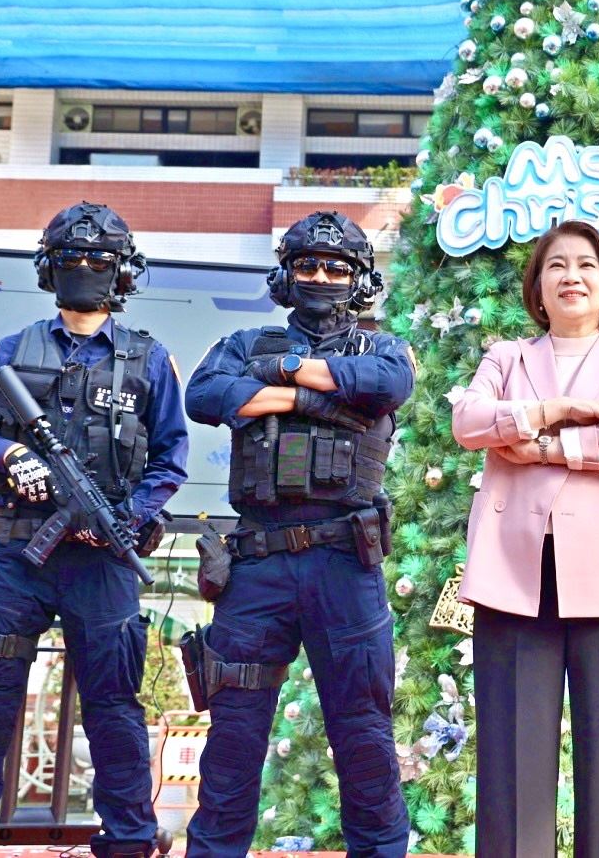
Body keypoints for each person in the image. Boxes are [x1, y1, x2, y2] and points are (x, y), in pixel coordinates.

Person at [0, 202, 188, 858]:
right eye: (72, 257)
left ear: (122, 272)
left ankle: (128, 837)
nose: (85, 268)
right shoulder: (16, 349)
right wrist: (9, 454)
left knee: (114, 704)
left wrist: (127, 517)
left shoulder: (149, 359)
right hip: (15, 550)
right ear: (50, 267)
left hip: (102, 560)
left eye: (99, 259)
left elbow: (170, 461)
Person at [182, 210, 412, 858]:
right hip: (256, 566)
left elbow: (387, 386)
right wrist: (313, 389)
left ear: (359, 281)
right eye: (307, 265)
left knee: (364, 738)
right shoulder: (241, 343)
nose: (321, 277)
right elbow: (204, 395)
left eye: (337, 268)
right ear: (285, 275)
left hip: (345, 563)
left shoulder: (383, 349)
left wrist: (274, 378)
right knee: (232, 739)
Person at [452, 220, 599, 858]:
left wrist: (538, 446)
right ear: (538, 287)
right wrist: (559, 410)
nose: (572, 276)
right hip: (513, 577)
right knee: (511, 770)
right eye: (556, 266)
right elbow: (469, 422)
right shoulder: (505, 358)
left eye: (586, 265)